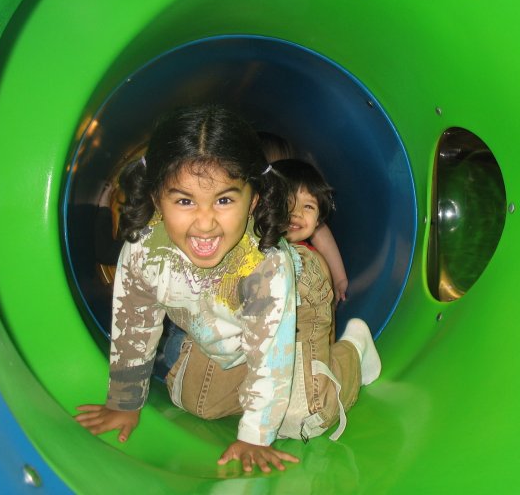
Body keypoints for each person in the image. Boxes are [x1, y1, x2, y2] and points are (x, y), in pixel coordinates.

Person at [75, 104, 379, 473]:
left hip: (301, 296)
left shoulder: (266, 265)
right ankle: (260, 378)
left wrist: (255, 435)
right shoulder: (145, 252)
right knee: (195, 403)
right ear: (157, 199)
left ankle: (353, 351)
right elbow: (134, 324)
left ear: (253, 201)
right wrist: (124, 402)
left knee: (303, 417)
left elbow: (271, 353)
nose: (205, 223)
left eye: (224, 200)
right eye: (184, 200)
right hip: (223, 321)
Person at [270, 158, 381, 442]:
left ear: (318, 217)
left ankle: (351, 348)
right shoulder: (258, 246)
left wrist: (340, 278)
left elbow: (323, 321)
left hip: (309, 334)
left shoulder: (311, 263)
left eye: (308, 207)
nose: (296, 213)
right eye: (287, 202)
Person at [257, 131, 350, 303]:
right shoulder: (248, 205)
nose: (295, 211)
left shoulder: (309, 242)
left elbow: (321, 234)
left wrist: (339, 279)